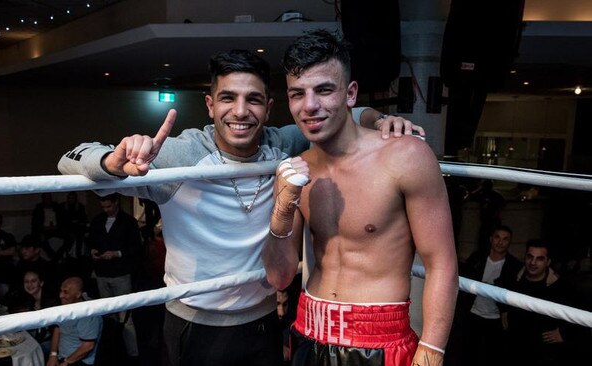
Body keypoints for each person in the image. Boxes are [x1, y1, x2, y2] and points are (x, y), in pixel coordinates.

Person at [58, 48, 423, 366]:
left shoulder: (281, 143)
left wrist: (382, 120)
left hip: (263, 322)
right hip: (192, 325)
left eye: (253, 99)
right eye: (228, 97)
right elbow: (69, 158)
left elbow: (350, 114)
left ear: (268, 107)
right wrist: (112, 161)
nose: (240, 111)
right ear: (210, 104)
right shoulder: (180, 156)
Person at [262, 30, 458, 366]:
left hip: (378, 342)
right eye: (298, 94)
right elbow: (279, 277)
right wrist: (282, 210)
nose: (310, 106)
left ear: (351, 94)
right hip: (308, 329)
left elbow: (441, 263)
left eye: (324, 90)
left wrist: (432, 350)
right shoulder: (297, 169)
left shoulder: (405, 157)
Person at [500, 240, 587, 366]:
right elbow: (499, 290)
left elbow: (582, 312)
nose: (533, 262)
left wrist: (564, 333)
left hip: (543, 354)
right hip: (514, 348)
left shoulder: (561, 286)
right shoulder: (514, 277)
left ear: (548, 262)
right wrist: (504, 311)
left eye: (540, 259)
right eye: (530, 257)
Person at [446, 225, 522, 366]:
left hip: (496, 320)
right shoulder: (477, 258)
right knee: (466, 353)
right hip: (472, 315)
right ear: (491, 239)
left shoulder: (514, 265)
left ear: (510, 242)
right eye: (497, 237)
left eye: (505, 239)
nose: (500, 242)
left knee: (490, 356)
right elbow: (462, 283)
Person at [88, 193, 141, 359]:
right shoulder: (97, 220)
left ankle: (133, 354)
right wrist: (93, 251)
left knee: (126, 317)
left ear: (116, 202)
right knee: (108, 316)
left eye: (109, 206)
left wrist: (117, 253)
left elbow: (137, 248)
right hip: (102, 273)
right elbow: (91, 241)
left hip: (121, 274)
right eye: (103, 207)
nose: (106, 210)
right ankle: (112, 351)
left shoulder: (129, 222)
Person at [48, 276, 103, 366]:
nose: (60, 295)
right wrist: (53, 354)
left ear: (78, 294)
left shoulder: (88, 313)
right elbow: (58, 329)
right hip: (62, 355)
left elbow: (88, 346)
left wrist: (66, 362)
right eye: (61, 291)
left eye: (65, 292)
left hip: (79, 360)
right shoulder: (65, 305)